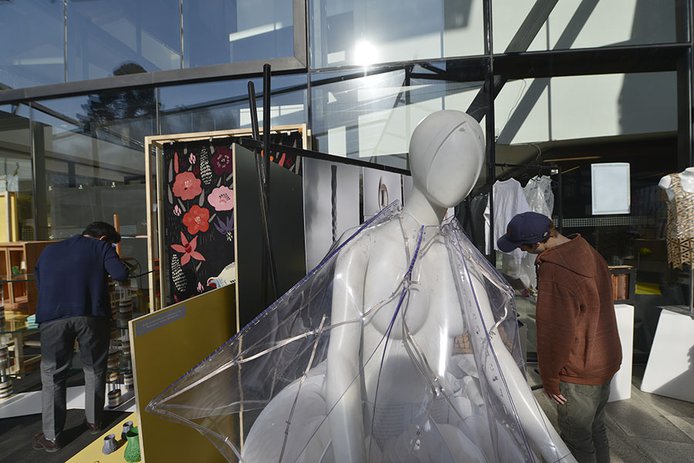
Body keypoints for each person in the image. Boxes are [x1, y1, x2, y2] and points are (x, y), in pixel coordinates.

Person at [497, 211, 622, 463]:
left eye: (522, 246)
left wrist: (550, 378)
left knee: (577, 439)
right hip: (604, 358)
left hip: (578, 368)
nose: (521, 250)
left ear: (536, 243)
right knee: (596, 428)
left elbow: (555, 332)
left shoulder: (555, 270)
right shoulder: (587, 251)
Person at [32, 221, 129, 453]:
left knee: (53, 375)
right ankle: (94, 421)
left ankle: (52, 437)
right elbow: (120, 273)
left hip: (52, 317)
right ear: (103, 238)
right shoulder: (100, 247)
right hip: (90, 315)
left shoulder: (49, 250)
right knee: (94, 368)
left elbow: (40, 281)